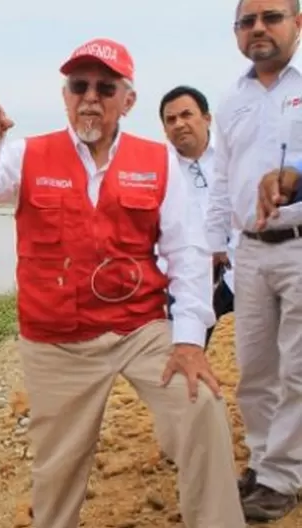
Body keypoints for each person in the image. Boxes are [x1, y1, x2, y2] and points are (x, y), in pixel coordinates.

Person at [0, 38, 244, 528]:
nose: (91, 96)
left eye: (105, 88)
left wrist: (191, 339)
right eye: (79, 86)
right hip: (56, 340)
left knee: (203, 407)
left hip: (139, 330)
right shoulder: (28, 156)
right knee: (58, 468)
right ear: (65, 96)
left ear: (126, 101)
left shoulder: (158, 161)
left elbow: (188, 252)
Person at [206, 0, 302, 520]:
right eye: (248, 21)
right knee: (256, 370)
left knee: (298, 370)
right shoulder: (231, 100)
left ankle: (284, 477)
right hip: (248, 253)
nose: (259, 29)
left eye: (271, 17)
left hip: (300, 247)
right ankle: (265, 464)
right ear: (237, 33)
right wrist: (213, 245)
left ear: (298, 24)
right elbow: (222, 180)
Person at [158, 85, 239, 345]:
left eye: (186, 115)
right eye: (171, 120)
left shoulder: (235, 155)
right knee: (183, 356)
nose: (179, 124)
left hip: (245, 267)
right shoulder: (159, 168)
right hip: (189, 279)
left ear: (207, 118)